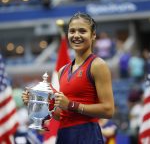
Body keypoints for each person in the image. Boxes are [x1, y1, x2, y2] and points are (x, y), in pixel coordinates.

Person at [22, 12, 115, 144]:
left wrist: (71, 105)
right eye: (72, 31)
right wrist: (36, 103)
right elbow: (63, 115)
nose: (76, 35)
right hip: (64, 135)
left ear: (93, 35)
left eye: (82, 31)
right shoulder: (62, 71)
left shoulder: (98, 65)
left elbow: (108, 110)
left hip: (87, 134)